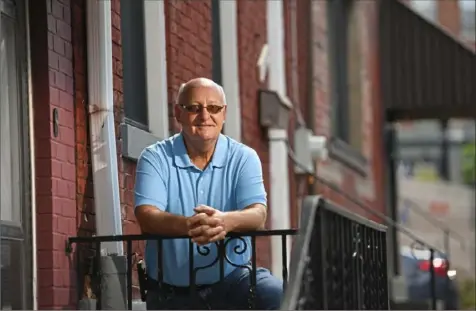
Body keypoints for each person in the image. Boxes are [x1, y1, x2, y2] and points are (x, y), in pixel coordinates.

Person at [134, 77, 283, 310]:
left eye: (213, 108)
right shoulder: (155, 157)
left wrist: (225, 222)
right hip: (171, 293)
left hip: (233, 282)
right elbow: (147, 215)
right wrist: (192, 226)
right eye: (194, 108)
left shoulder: (244, 157)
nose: (205, 116)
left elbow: (258, 214)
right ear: (178, 113)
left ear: (224, 114)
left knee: (276, 294)